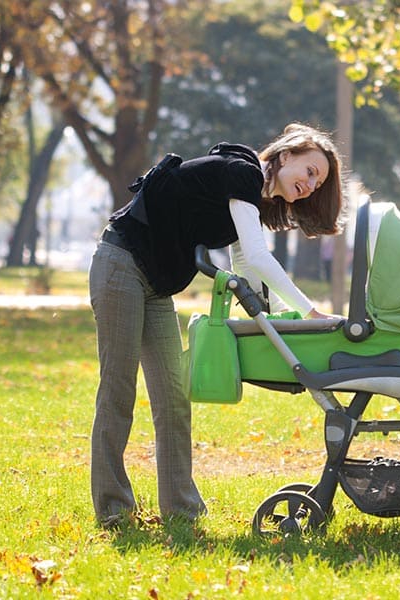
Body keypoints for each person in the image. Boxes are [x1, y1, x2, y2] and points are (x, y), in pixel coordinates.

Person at [88, 123, 344, 528]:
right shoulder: (242, 173)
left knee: (173, 397)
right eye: (310, 171)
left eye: (319, 182)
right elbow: (258, 259)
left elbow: (244, 264)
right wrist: (312, 312)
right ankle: (114, 509)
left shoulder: (248, 196)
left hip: (156, 286)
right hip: (121, 265)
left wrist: (282, 319)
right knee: (118, 389)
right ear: (286, 154)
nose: (311, 186)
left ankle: (181, 510)